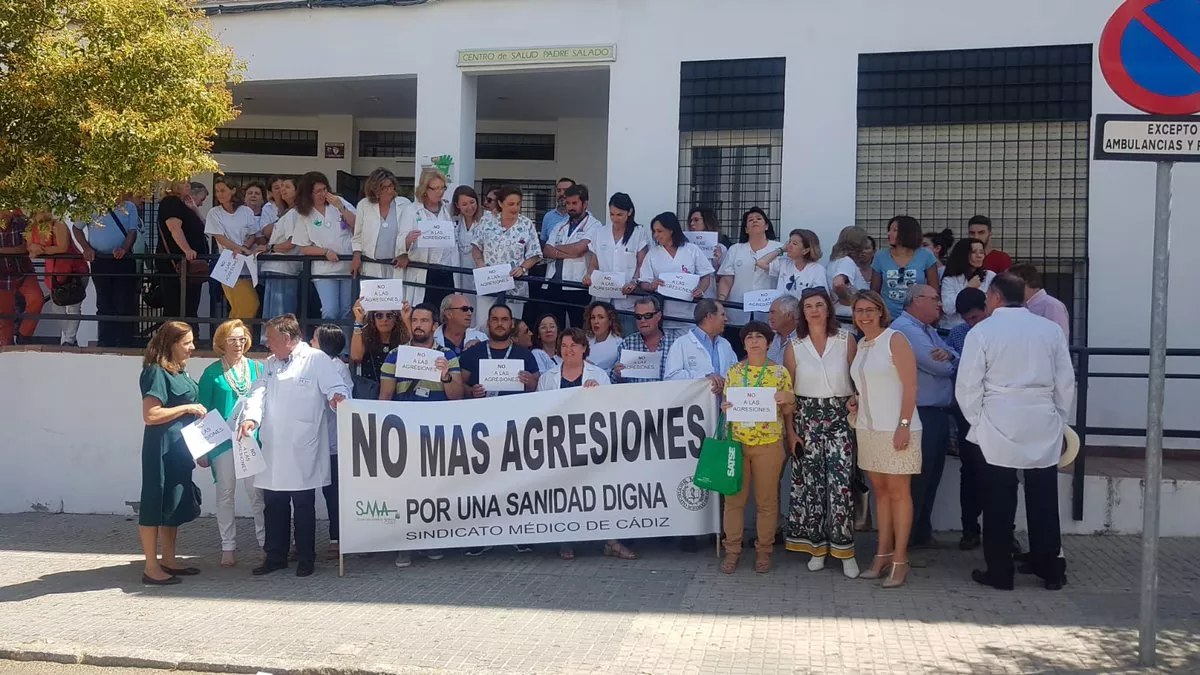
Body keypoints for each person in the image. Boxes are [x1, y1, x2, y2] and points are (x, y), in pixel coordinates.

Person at [957, 274, 1074, 591]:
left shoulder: (983, 331)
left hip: (998, 417)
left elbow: (968, 385)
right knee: (1043, 498)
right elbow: (1065, 379)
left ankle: (1000, 571)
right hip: (1042, 416)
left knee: (998, 499)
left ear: (994, 296)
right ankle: (1051, 569)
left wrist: (977, 420)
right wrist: (1059, 416)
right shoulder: (1048, 330)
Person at [239, 314, 351, 578]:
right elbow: (258, 393)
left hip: (303, 446)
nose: (268, 344)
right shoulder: (270, 364)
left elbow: (337, 387)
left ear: (287, 339)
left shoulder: (316, 359)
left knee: (303, 504)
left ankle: (305, 558)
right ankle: (275, 556)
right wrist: (251, 418)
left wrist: (337, 398)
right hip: (275, 446)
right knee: (273, 502)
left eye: (272, 340)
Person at [378, 302, 464, 567]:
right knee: (405, 490)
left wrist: (446, 376)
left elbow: (457, 396)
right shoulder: (395, 355)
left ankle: (430, 539)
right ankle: (404, 543)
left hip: (437, 433)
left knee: (435, 489)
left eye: (425, 321)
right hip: (404, 431)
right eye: (415, 320)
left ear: (434, 327)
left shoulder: (447, 355)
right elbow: (386, 395)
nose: (419, 325)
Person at [536, 327, 631, 561]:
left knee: (599, 492)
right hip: (559, 445)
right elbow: (538, 411)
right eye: (564, 346)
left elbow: (611, 410)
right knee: (563, 494)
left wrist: (597, 394)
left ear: (583, 348)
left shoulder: (598, 375)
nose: (568, 350)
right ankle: (565, 541)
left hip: (591, 444)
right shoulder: (548, 377)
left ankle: (611, 541)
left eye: (574, 345)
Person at [783, 288, 859, 577]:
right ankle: (817, 547)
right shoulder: (794, 345)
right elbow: (788, 393)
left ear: (828, 309)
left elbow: (858, 380)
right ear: (802, 312)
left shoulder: (846, 340)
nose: (814, 310)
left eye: (819, 305)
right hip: (807, 420)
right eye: (808, 306)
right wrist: (791, 433)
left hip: (840, 419)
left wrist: (856, 400)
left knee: (840, 486)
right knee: (812, 488)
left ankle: (845, 550)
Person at [848, 290, 921, 588]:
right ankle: (882, 554)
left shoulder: (895, 339)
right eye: (858, 310)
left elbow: (911, 386)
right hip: (867, 428)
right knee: (881, 493)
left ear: (880, 311)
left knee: (899, 492)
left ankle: (900, 560)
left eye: (869, 310)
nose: (864, 316)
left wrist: (903, 424)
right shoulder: (862, 345)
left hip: (898, 428)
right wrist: (854, 402)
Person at [719, 320, 794, 574]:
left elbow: (789, 410)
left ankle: (764, 551)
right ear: (744, 343)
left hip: (770, 443)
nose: (754, 341)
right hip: (738, 443)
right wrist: (725, 407)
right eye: (749, 337)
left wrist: (788, 400)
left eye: (759, 337)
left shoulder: (780, 373)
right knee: (733, 500)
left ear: (768, 342)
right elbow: (727, 403)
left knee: (767, 502)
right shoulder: (734, 372)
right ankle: (732, 551)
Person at [137, 321, 205, 584]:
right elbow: (151, 414)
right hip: (162, 447)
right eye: (186, 342)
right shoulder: (155, 372)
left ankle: (168, 559)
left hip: (181, 447)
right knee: (156, 501)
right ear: (171, 344)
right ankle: (151, 568)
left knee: (174, 502)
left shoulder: (180, 371)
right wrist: (187, 409)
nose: (192, 347)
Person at [891, 285, 958, 549]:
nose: (940, 305)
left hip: (937, 413)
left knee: (932, 476)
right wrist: (951, 360)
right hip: (921, 414)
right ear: (916, 301)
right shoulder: (907, 329)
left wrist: (951, 355)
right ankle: (905, 538)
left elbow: (953, 355)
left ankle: (920, 533)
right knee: (918, 478)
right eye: (934, 299)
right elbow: (938, 366)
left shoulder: (927, 329)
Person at [196, 319, 266, 567]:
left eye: (242, 339)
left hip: (251, 441)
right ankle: (228, 546)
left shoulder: (258, 369)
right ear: (221, 343)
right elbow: (202, 412)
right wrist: (201, 450)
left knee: (257, 494)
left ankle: (265, 543)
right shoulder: (212, 373)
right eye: (232, 340)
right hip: (222, 443)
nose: (238, 344)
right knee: (225, 493)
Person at [945, 286, 987, 550]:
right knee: (969, 470)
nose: (972, 324)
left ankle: (1004, 533)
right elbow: (951, 370)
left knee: (999, 473)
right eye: (967, 319)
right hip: (966, 411)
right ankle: (969, 529)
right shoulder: (958, 334)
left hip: (995, 410)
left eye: (976, 318)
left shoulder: (999, 331)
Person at [292, 171, 357, 344]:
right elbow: (304, 247)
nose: (323, 194)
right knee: (330, 310)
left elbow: (358, 226)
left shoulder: (339, 203)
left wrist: (341, 208)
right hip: (324, 270)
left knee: (346, 311)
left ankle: (345, 350)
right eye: (318, 191)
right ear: (308, 194)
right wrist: (325, 252)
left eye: (325, 189)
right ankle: (329, 348)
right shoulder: (304, 214)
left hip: (348, 266)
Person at [311, 324, 354, 560]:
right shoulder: (314, 365)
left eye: (315, 339)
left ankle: (336, 538)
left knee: (333, 493)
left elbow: (341, 403)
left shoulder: (337, 369)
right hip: (314, 439)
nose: (310, 342)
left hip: (333, 441)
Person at [71, 199, 140, 348]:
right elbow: (77, 229)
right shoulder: (90, 205)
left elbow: (132, 232)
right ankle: (105, 341)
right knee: (103, 302)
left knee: (124, 302)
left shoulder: (129, 206)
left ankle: (125, 343)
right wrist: (86, 248)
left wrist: (124, 249)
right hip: (100, 259)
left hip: (124, 259)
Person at [469, 186, 542, 322]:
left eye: (518, 204)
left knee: (512, 326)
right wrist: (479, 263)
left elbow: (535, 253)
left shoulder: (526, 224)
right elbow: (476, 246)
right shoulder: (487, 221)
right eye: (510, 204)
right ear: (501, 203)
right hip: (488, 282)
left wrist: (523, 268)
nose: (515, 208)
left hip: (515, 285)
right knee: (484, 323)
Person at [583, 192, 649, 335]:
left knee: (627, 337)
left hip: (627, 301)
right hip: (603, 297)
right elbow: (594, 262)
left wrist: (634, 282)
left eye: (619, 215)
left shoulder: (638, 233)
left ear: (629, 212)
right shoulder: (600, 232)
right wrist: (589, 275)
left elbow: (642, 264)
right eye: (612, 214)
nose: (615, 219)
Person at [639, 212, 715, 329]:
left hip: (689, 315)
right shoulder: (652, 254)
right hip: (663, 316)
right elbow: (644, 282)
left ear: (671, 230)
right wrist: (652, 286)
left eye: (660, 231)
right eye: (654, 231)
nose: (655, 235)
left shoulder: (691, 250)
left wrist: (701, 289)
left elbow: (706, 275)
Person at [540, 183, 600, 329]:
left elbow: (579, 249)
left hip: (577, 285)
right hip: (554, 283)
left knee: (577, 326)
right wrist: (570, 251)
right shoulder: (560, 225)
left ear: (585, 204)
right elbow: (546, 250)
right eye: (568, 203)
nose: (570, 207)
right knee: (555, 327)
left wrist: (558, 251)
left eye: (574, 203)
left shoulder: (595, 225)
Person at [397, 167, 456, 308]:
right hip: (423, 271)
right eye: (435, 188)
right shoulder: (411, 211)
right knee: (423, 312)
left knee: (445, 313)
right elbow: (400, 241)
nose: (440, 192)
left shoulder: (446, 210)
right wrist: (408, 240)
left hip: (444, 272)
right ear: (425, 189)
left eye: (442, 188)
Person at [205, 177, 262, 320]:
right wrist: (238, 248)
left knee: (240, 306)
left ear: (233, 191)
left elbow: (252, 234)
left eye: (223, 190)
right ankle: (235, 335)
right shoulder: (214, 212)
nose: (219, 194)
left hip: (246, 264)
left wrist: (244, 247)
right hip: (228, 263)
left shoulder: (246, 211)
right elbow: (219, 237)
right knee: (250, 304)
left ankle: (232, 336)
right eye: (217, 191)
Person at [457, 303, 540, 399]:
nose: (500, 324)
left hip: (516, 412)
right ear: (488, 323)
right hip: (479, 411)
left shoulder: (525, 355)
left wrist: (530, 381)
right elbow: (458, 385)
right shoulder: (472, 352)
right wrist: (471, 391)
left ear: (512, 324)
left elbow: (539, 387)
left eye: (504, 319)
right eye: (495, 319)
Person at [27, 213, 86, 346]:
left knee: (73, 306)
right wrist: (33, 249)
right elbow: (29, 246)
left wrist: (41, 250)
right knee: (57, 306)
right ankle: (69, 337)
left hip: (74, 269)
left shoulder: (58, 225)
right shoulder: (33, 228)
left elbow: (62, 247)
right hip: (53, 271)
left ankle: (69, 340)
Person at [717, 207, 781, 326]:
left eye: (758, 219)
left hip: (768, 311)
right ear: (746, 229)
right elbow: (727, 279)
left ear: (766, 226)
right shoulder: (735, 249)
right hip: (738, 309)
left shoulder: (779, 249)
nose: (755, 221)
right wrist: (721, 301)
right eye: (750, 220)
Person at [156, 180, 208, 323]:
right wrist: (187, 249)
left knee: (189, 305)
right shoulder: (171, 202)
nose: (188, 185)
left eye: (188, 182)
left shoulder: (184, 205)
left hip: (190, 266)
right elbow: (174, 228)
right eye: (183, 182)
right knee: (176, 306)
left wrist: (194, 209)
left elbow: (206, 228)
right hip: (178, 264)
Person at [871, 215, 940, 319]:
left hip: (918, 316)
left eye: (895, 230)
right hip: (888, 317)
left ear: (908, 233)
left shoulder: (926, 255)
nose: (889, 233)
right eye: (889, 230)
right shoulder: (880, 256)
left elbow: (934, 290)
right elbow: (874, 291)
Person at [352, 167, 412, 281]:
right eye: (384, 188)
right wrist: (356, 256)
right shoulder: (363, 205)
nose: (389, 190)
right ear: (374, 190)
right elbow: (357, 236)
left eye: (390, 186)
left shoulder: (405, 205)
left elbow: (410, 234)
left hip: (396, 265)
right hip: (371, 265)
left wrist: (406, 254)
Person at [665, 299, 737, 392]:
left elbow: (736, 373)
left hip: (723, 404)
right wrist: (704, 377)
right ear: (709, 316)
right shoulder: (681, 343)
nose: (726, 319)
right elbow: (671, 378)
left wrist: (725, 382)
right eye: (722, 315)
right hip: (695, 404)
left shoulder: (725, 344)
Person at [260, 177, 301, 330]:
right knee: (272, 313)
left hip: (285, 268)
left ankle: (280, 341)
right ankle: (270, 341)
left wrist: (269, 248)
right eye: (281, 186)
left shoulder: (295, 213)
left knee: (281, 312)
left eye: (288, 187)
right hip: (276, 267)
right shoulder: (285, 212)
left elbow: (291, 243)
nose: (283, 189)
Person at [350, 298, 409, 399]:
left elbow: (415, 349)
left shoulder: (403, 340)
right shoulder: (366, 338)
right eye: (379, 316)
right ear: (373, 318)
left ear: (396, 319)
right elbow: (356, 357)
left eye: (390, 315)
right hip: (370, 394)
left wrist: (407, 320)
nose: (384, 319)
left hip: (397, 396)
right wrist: (358, 320)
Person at [0, 210, 43, 346]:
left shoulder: (21, 222)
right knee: (5, 313)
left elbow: (24, 248)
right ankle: (6, 345)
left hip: (23, 271)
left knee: (37, 299)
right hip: (2, 276)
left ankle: (24, 334)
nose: (6, 212)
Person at [612, 296, 676, 383]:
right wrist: (618, 374)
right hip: (635, 395)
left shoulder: (675, 344)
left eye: (647, 315)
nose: (642, 320)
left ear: (658, 316)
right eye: (638, 316)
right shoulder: (626, 344)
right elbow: (615, 382)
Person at [756, 228, 827, 300]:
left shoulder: (817, 270)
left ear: (806, 250)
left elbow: (821, 298)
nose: (789, 246)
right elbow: (761, 263)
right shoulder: (784, 264)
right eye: (789, 242)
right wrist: (781, 249)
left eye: (794, 244)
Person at [940, 238, 996, 329]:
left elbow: (994, 304)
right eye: (974, 252)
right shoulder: (949, 279)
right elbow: (948, 308)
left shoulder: (990, 276)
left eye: (981, 252)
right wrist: (967, 289)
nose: (979, 256)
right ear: (963, 255)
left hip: (985, 327)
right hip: (955, 327)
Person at [1009, 263, 1070, 342]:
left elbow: (1059, 341)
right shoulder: (1021, 305)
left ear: (1024, 282)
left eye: (1011, 284)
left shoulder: (1052, 306)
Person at [827, 226, 873, 323]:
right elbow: (838, 284)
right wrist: (852, 302)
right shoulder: (846, 261)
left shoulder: (834, 261)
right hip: (849, 316)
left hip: (840, 313)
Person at [451, 185, 483, 306]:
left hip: (480, 269)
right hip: (461, 271)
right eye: (464, 204)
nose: (469, 207)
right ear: (457, 205)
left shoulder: (487, 220)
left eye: (472, 202)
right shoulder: (454, 222)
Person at [434, 293, 487, 358]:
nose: (470, 313)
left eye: (471, 309)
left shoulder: (481, 338)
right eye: (464, 309)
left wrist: (480, 347)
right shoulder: (431, 338)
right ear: (448, 314)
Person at [687, 207, 729, 275]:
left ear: (707, 221)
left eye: (696, 220)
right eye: (690, 221)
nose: (692, 223)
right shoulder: (685, 246)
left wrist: (717, 262)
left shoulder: (721, 248)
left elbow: (724, 277)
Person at [584, 300, 623, 371]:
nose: (596, 321)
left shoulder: (619, 344)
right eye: (593, 317)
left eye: (601, 317)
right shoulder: (585, 338)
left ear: (610, 321)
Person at [765, 293, 799, 365]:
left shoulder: (803, 340)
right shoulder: (774, 337)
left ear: (789, 315)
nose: (769, 317)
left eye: (773, 312)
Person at [540, 177, 575, 243]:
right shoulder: (548, 216)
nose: (561, 194)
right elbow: (543, 243)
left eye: (565, 190)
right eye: (559, 190)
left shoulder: (584, 216)